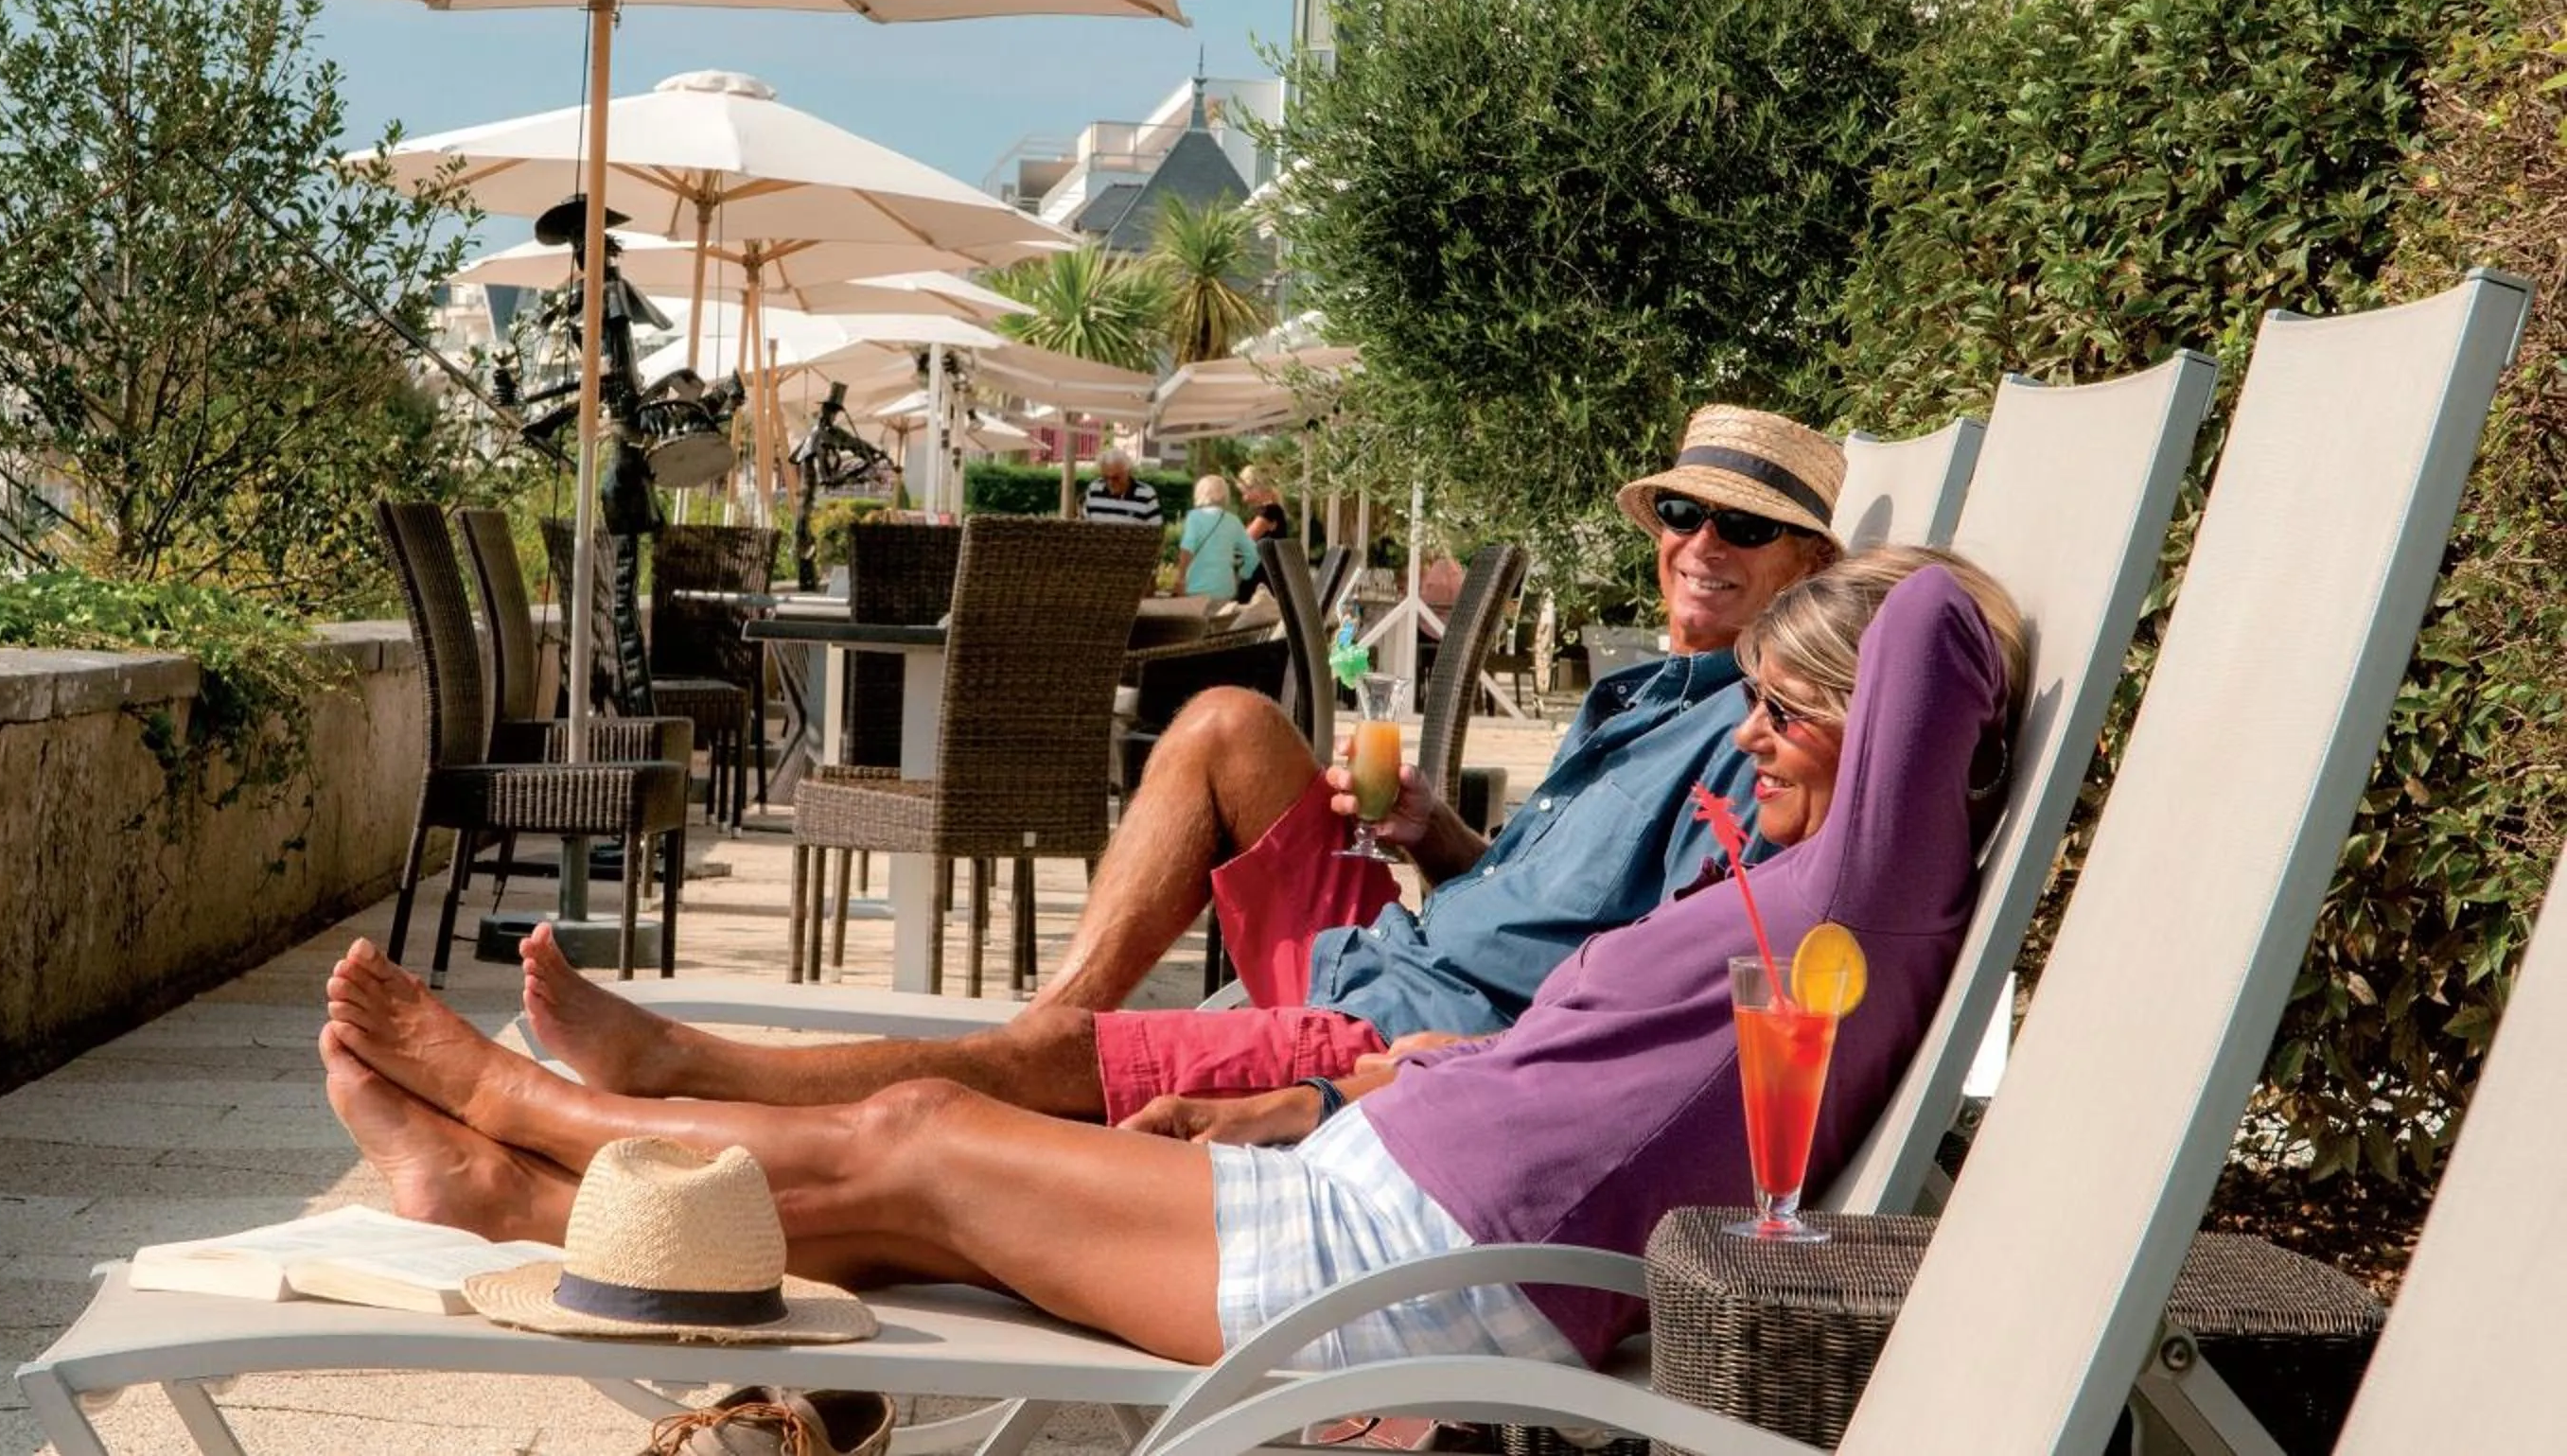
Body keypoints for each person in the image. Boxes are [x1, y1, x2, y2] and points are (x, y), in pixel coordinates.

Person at [321, 550, 2023, 1372]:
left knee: (920, 1134)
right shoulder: (1812, 883)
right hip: (1396, 1186)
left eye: (1793, 711)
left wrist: (1855, 616)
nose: (1760, 737)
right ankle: (521, 1195)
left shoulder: (1866, 886)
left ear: (1881, 730)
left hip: (1408, 1263)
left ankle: (517, 1103)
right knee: (909, 1205)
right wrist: (1382, 1079)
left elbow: (1942, 617)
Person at [516, 405, 1847, 1127]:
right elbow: (1553, 904)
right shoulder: (1632, 697)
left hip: (1419, 1034)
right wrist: (1445, 843)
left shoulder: (1757, 746)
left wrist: (1397, 1076)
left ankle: (691, 1066)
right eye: (1682, 512)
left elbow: (1639, 989)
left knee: (1019, 1086)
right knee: (1221, 721)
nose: (1698, 543)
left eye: (1744, 525)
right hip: (1399, 944)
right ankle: (1060, 1023)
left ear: (1810, 569)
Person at [1177, 473, 1260, 601]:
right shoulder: (1234, 521)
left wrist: (1180, 578)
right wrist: (1241, 576)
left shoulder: (1194, 517)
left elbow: (1187, 549)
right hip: (1225, 590)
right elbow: (1254, 554)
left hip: (1196, 590)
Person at [1238, 466, 1290, 600]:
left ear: (1257, 488)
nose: (1244, 498)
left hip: (1263, 581)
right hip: (1268, 576)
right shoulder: (1272, 511)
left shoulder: (1269, 511)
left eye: (1246, 492)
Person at [1081, 447, 1164, 526]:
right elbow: (1085, 525)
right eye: (1105, 477)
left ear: (1128, 472)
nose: (1110, 483)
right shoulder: (1094, 488)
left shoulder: (1146, 493)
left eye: (1116, 478)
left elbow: (1155, 531)